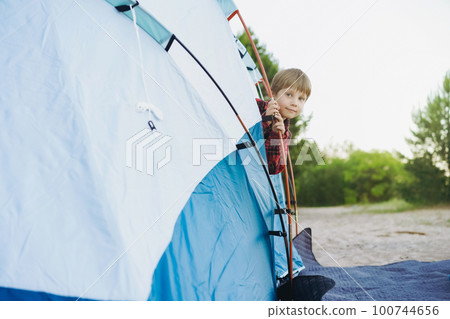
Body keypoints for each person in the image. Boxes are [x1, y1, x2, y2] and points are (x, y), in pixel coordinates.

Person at [256, 68, 311, 174]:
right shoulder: (256, 106)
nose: (295, 103)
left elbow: (273, 169)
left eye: (301, 99)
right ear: (273, 94)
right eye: (289, 95)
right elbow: (240, 137)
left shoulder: (285, 134)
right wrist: (266, 121)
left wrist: (276, 136)